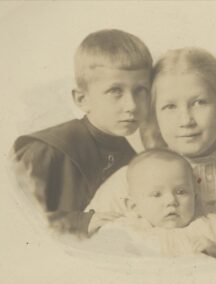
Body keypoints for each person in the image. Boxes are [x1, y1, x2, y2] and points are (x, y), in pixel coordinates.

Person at [86, 48, 216, 257]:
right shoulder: (126, 183)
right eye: (170, 106)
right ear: (154, 116)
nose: (186, 120)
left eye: (199, 103)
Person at [10, 29, 152, 237]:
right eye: (115, 91)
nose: (131, 105)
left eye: (141, 90)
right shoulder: (44, 151)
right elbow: (13, 225)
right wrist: (81, 222)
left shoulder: (135, 162)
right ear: (81, 99)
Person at [88, 149, 216, 270]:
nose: (171, 201)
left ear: (195, 196)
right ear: (133, 206)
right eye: (156, 194)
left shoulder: (208, 226)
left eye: (181, 192)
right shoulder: (128, 228)